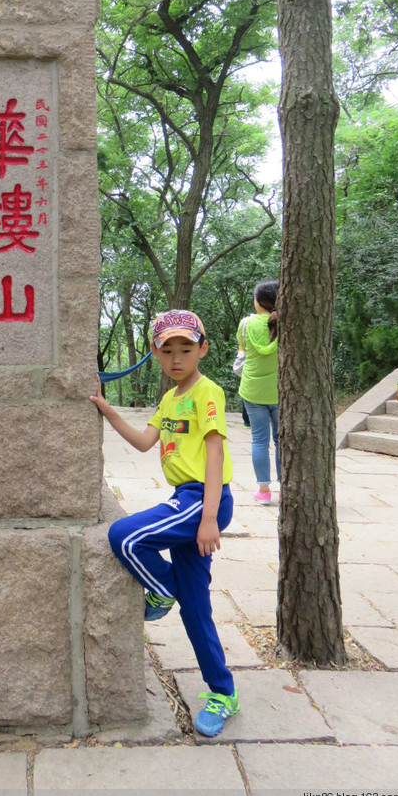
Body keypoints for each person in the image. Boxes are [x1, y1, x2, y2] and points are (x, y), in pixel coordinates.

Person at [90, 309, 238, 738]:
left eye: (186, 349)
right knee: (197, 608)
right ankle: (223, 691)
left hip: (202, 500)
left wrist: (209, 517)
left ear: (202, 349)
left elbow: (214, 453)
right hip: (185, 500)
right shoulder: (171, 398)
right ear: (155, 353)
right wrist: (104, 408)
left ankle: (161, 589)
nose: (177, 358)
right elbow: (142, 442)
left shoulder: (206, 392)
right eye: (167, 350)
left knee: (125, 536)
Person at [237, 280, 280, 504]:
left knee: (259, 440)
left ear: (259, 302)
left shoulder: (246, 324)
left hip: (252, 390)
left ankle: (264, 491)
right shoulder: (286, 323)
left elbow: (242, 347)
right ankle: (286, 488)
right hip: (280, 391)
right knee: (282, 440)